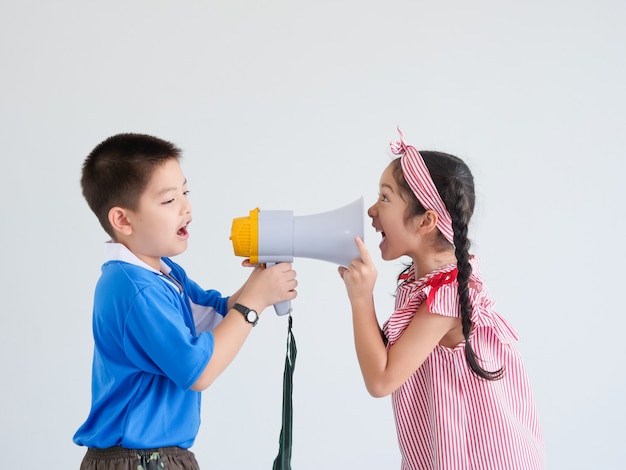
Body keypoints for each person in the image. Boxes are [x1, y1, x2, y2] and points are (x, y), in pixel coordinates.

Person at [73, 133, 298, 470]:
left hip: (157, 457)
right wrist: (253, 303)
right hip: (140, 460)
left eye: (185, 192)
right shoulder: (136, 289)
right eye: (168, 201)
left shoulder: (161, 274)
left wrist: (257, 285)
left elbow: (217, 317)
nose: (186, 207)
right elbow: (200, 370)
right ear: (123, 219)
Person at [338, 128, 544, 469]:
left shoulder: (447, 297)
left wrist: (361, 299)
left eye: (385, 198)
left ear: (426, 221)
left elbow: (382, 379)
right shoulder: (425, 284)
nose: (372, 210)